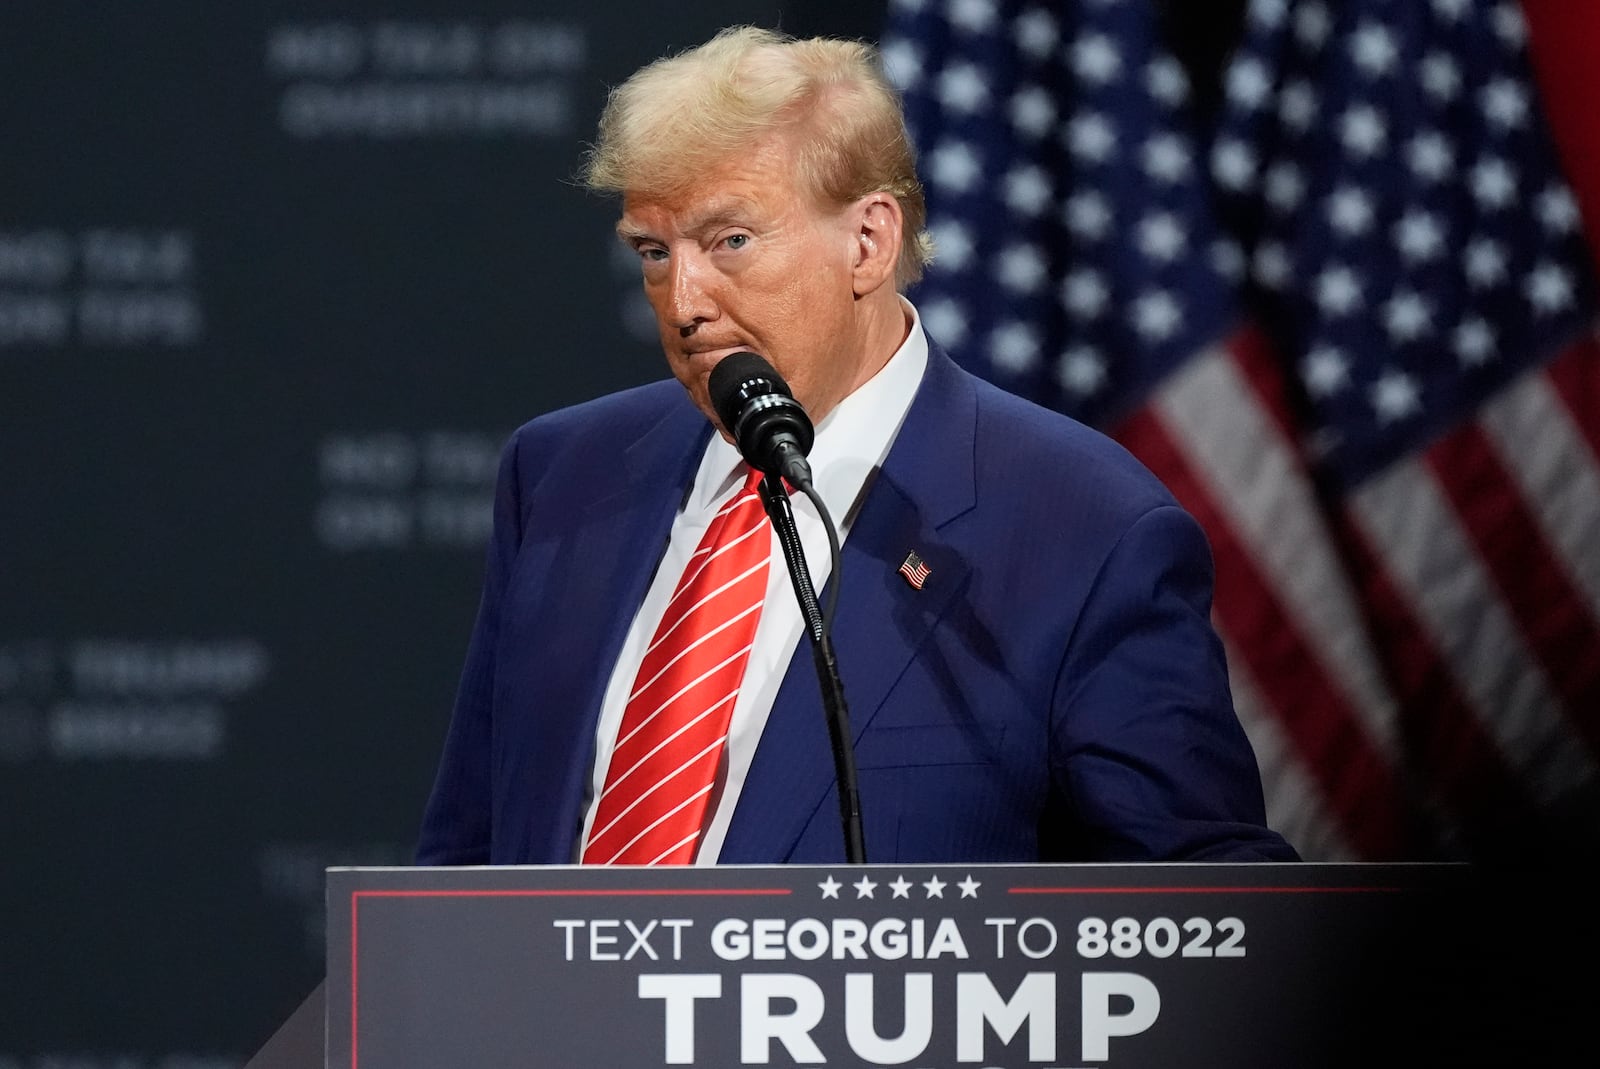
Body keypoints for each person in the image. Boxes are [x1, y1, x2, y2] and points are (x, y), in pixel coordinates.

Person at [414, 25, 1299, 866]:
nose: (682, 300)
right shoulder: (566, 473)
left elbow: (1206, 914)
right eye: (653, 251)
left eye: (730, 241)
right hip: (547, 1028)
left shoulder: (1084, 526)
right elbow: (466, 861)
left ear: (869, 242)